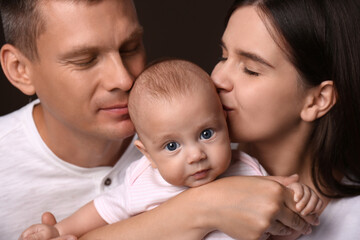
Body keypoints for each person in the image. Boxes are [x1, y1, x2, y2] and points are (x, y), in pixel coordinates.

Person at [0, 1, 316, 239]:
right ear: (19, 69)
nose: (123, 79)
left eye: (131, 47)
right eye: (85, 60)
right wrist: (202, 207)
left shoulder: (217, 129)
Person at [79, 0, 360, 239]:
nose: (217, 78)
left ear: (317, 100)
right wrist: (203, 206)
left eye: (250, 70)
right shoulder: (173, 167)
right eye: (223, 56)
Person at [20, 59, 322, 240]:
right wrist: (59, 231)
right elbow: (102, 211)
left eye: (206, 133)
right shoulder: (142, 182)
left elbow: (277, 226)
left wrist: (300, 207)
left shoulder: (249, 172)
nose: (195, 155)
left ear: (225, 125)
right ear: (147, 155)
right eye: (172, 146)